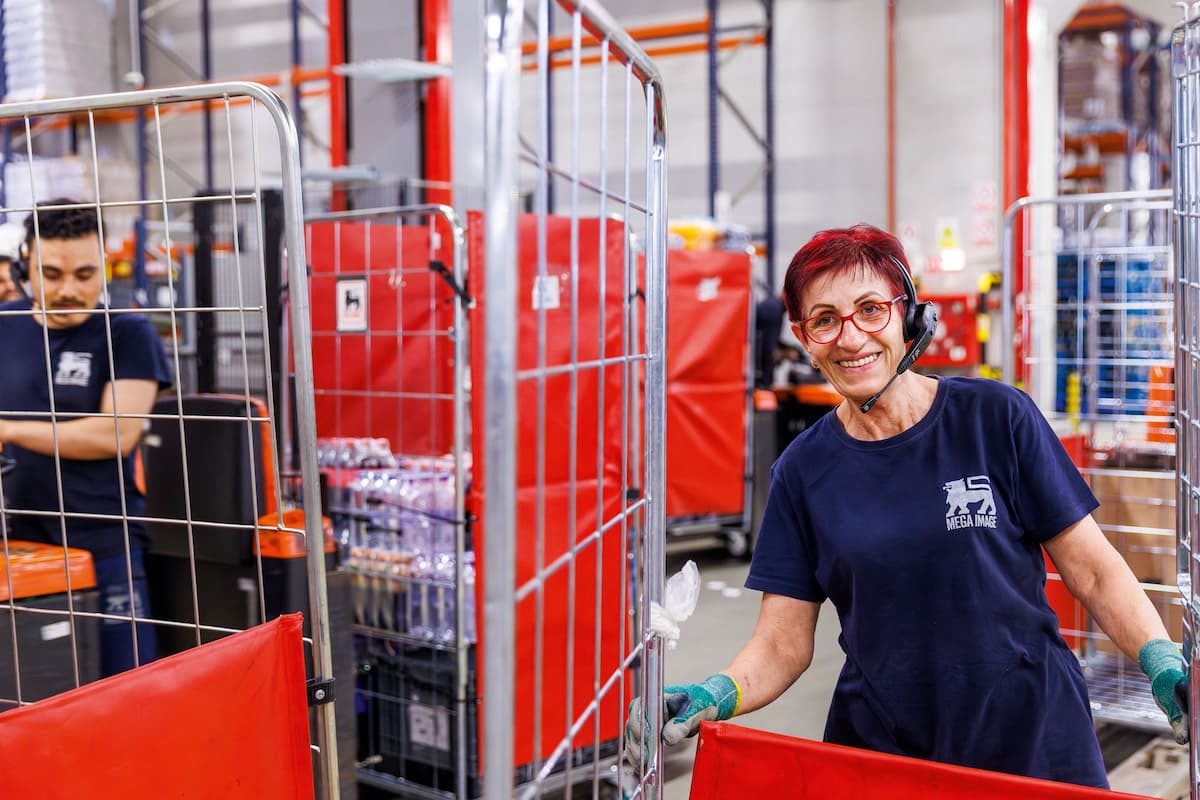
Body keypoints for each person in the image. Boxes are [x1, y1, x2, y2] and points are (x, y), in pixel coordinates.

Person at [626, 223, 1188, 788]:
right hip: (887, 749)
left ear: (907, 314)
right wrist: (715, 694)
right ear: (802, 336)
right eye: (824, 320)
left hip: (1031, 733)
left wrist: (1160, 662)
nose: (851, 337)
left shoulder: (997, 418)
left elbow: (1093, 571)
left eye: (871, 309)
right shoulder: (802, 472)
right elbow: (782, 643)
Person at [0, 200, 172, 678]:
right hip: (21, 549)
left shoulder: (128, 334)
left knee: (127, 689)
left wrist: (9, 430)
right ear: (25, 268)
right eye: (51, 274)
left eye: (84, 274)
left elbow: (116, 433)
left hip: (104, 546)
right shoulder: (4, 325)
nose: (69, 290)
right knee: (34, 692)